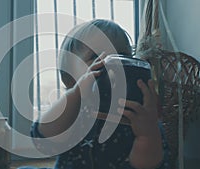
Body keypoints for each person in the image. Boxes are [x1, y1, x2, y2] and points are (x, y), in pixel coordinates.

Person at [26, 19, 169, 169]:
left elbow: (148, 165)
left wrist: (147, 134)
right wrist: (76, 94)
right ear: (70, 79)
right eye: (96, 58)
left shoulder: (135, 114)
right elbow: (42, 137)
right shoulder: (73, 111)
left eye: (122, 56)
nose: (113, 65)